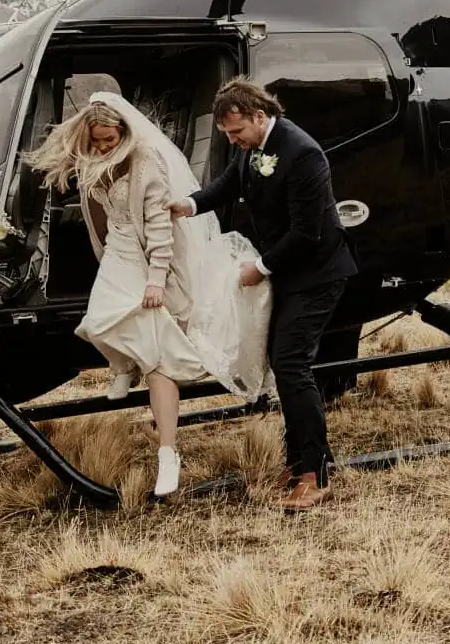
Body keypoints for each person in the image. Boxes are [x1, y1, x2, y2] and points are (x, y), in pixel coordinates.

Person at [26, 93, 268, 499]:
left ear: (124, 131)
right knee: (97, 325)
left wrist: (157, 280)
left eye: (109, 139)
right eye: (96, 141)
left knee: (157, 357)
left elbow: (159, 231)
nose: (103, 147)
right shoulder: (93, 159)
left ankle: (168, 452)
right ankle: (124, 365)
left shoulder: (146, 163)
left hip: (149, 257)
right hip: (118, 254)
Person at [170, 79, 356, 511]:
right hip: (289, 273)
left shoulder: (303, 153)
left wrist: (261, 267)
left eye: (237, 133)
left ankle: (314, 475)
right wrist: (188, 205)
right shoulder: (252, 148)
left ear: (259, 115)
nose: (234, 142)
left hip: (317, 273)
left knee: (291, 364)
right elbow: (227, 185)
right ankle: (301, 463)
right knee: (284, 363)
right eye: (229, 136)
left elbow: (307, 233)